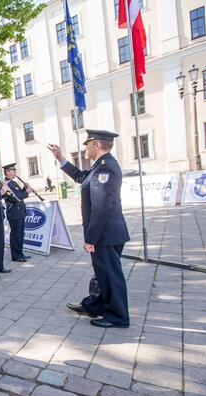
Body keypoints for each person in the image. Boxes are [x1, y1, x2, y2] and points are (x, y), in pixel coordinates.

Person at [46, 130, 130, 328]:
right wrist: (61, 158)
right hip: (107, 232)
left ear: (97, 145)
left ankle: (118, 317)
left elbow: (101, 208)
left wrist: (90, 239)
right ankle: (95, 306)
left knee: (110, 276)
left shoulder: (105, 169)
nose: (85, 148)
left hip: (105, 234)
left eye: (88, 144)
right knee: (102, 274)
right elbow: (80, 177)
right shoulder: (99, 167)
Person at [3, 163, 32, 262]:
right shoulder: (5, 184)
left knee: (20, 234)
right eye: (13, 170)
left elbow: (20, 193)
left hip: (20, 212)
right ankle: (16, 255)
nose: (15, 172)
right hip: (14, 213)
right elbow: (16, 198)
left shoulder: (14, 183)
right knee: (15, 235)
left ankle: (20, 253)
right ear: (7, 172)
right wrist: (27, 192)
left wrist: (24, 188)